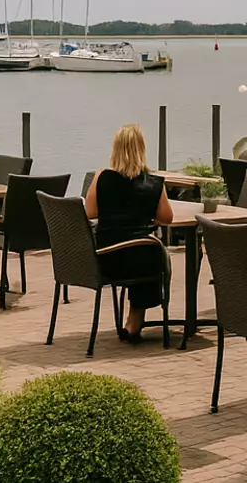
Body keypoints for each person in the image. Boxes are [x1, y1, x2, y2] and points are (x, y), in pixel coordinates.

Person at [86, 124, 173, 342]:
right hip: (138, 259)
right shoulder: (152, 182)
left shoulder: (101, 177)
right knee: (152, 251)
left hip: (105, 258)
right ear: (142, 149)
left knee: (144, 248)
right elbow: (167, 218)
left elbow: (90, 211)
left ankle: (133, 322)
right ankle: (135, 320)